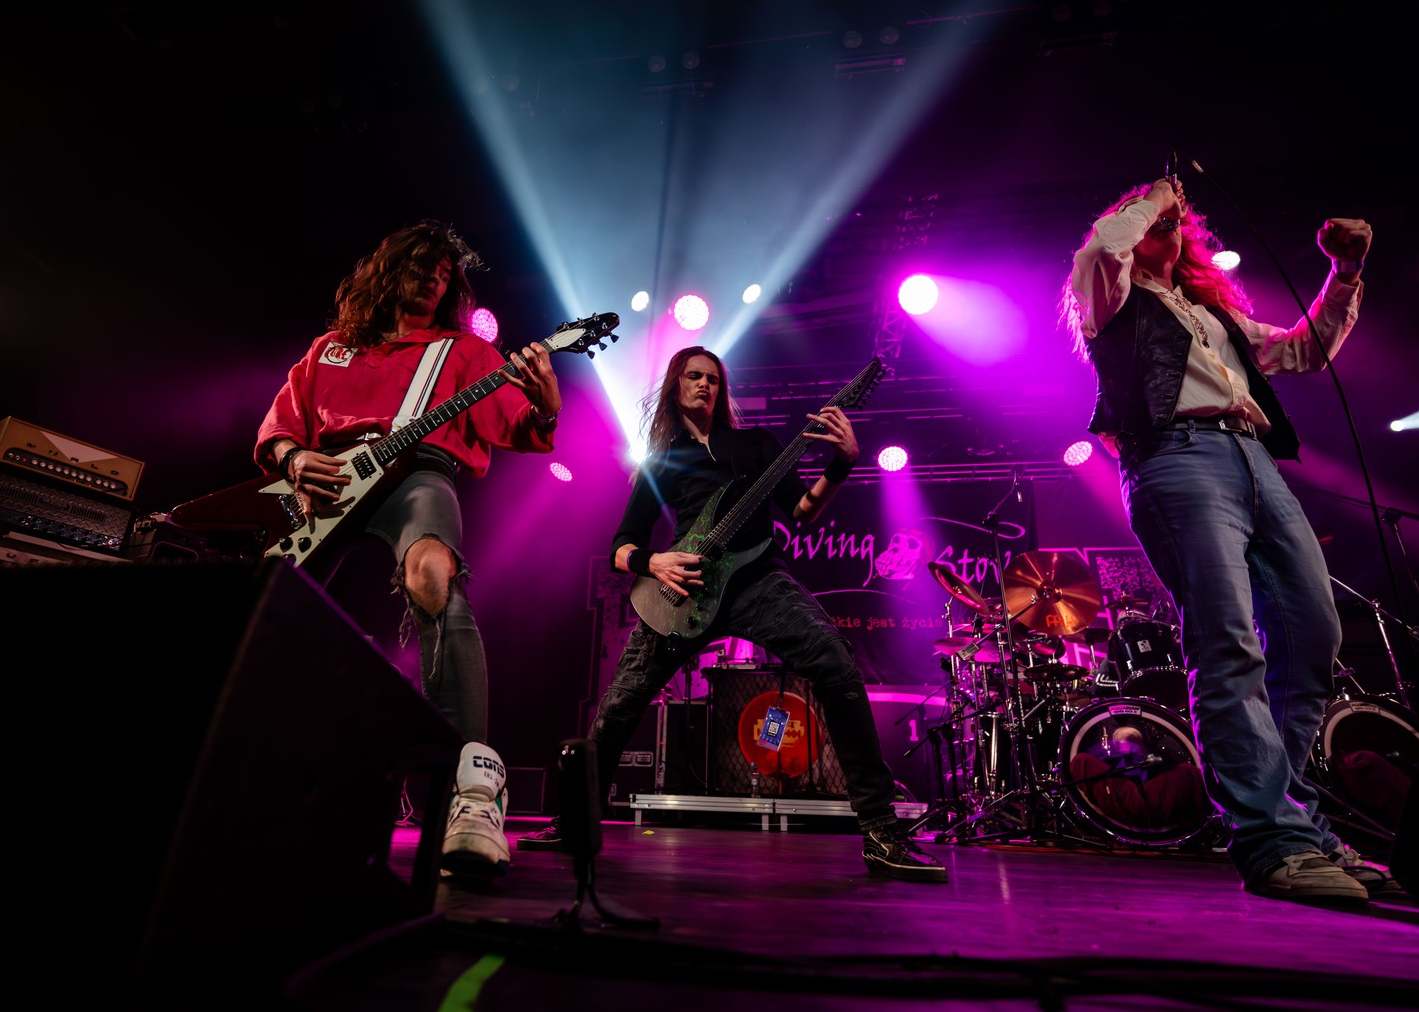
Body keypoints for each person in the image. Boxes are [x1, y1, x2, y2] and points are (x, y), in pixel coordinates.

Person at [1062, 173, 1387, 903]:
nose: (1168, 224)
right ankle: (1271, 841)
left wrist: (1345, 272)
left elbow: (1305, 351)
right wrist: (1154, 196)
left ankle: (1297, 822)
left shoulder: (1212, 315)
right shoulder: (1112, 297)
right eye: (1153, 219)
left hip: (1254, 459)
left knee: (1313, 634)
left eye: (1176, 220)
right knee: (1229, 642)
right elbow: (1104, 248)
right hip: (1176, 457)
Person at [516, 346, 946, 881]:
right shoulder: (662, 460)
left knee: (837, 665)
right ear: (676, 385)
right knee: (619, 706)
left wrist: (842, 463)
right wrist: (656, 561)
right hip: (684, 589)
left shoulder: (757, 444)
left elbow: (802, 512)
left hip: (756, 580)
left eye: (714, 379)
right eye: (694, 376)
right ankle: (575, 823)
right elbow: (620, 548)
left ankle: (881, 833)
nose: (704, 385)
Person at [255, 218, 562, 879]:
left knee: (434, 574)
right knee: (263, 610)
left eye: (445, 275)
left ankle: (472, 790)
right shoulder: (332, 349)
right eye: (424, 266)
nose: (434, 280)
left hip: (418, 474)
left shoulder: (464, 353)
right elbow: (280, 425)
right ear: (389, 268)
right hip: (323, 488)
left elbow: (516, 423)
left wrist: (544, 409)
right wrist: (293, 457)